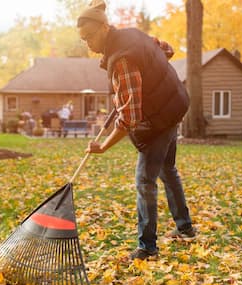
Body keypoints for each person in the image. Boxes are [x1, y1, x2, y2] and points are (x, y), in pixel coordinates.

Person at [77, 0, 196, 261]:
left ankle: (147, 247)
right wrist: (151, 62)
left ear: (105, 28)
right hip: (175, 104)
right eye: (82, 40)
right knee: (167, 168)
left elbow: (130, 117)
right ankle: (185, 228)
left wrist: (103, 146)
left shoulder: (121, 60)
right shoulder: (133, 34)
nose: (87, 44)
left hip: (161, 117)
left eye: (89, 37)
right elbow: (167, 49)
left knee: (145, 180)